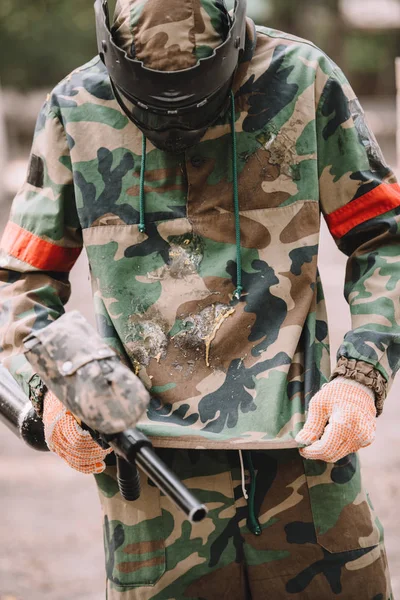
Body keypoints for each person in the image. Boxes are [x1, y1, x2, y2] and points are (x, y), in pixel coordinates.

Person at [0, 0, 399, 597]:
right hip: (149, 484)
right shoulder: (75, 107)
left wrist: (361, 377)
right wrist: (48, 399)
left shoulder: (303, 79)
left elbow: (384, 239)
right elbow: (20, 283)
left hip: (304, 464)